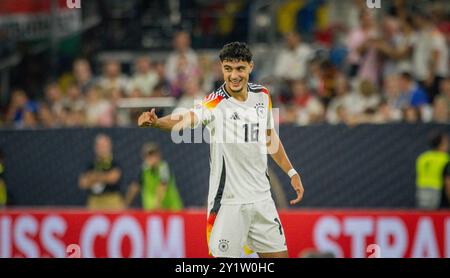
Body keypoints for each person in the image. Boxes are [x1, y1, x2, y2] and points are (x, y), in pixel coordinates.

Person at [138, 42, 304, 258]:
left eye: (240, 69)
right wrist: (158, 122)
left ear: (250, 67)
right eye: (228, 69)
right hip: (228, 204)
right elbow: (185, 118)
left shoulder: (262, 96)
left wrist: (291, 172)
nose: (234, 75)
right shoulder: (214, 104)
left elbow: (269, 137)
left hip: (262, 200)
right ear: (221, 68)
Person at [125, 142, 183, 211]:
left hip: (171, 208)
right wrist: (126, 204)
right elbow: (135, 187)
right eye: (148, 156)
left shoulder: (164, 168)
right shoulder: (143, 170)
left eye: (153, 155)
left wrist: (157, 204)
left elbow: (162, 186)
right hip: (152, 210)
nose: (151, 158)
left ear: (159, 156)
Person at [79, 134, 125, 210]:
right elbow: (83, 183)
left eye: (104, 146)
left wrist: (93, 177)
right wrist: (104, 177)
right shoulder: (90, 164)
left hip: (111, 201)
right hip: (94, 201)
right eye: (99, 146)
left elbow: (113, 178)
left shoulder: (114, 163)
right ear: (95, 148)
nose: (102, 149)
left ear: (110, 147)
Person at [416, 132, 449, 210]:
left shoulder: (422, 158)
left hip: (421, 193)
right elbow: (448, 182)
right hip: (439, 196)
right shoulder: (445, 159)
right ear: (441, 145)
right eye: (446, 143)